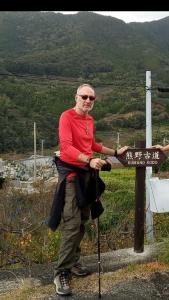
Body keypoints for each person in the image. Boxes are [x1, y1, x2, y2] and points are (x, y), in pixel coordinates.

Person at [48, 83, 128, 296]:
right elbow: (66, 147)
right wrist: (89, 160)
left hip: (87, 176)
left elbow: (92, 144)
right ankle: (61, 272)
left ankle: (73, 262)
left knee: (82, 221)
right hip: (72, 176)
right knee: (72, 224)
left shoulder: (89, 120)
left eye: (91, 98)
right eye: (84, 97)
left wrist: (116, 152)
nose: (87, 101)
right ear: (76, 97)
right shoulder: (66, 117)